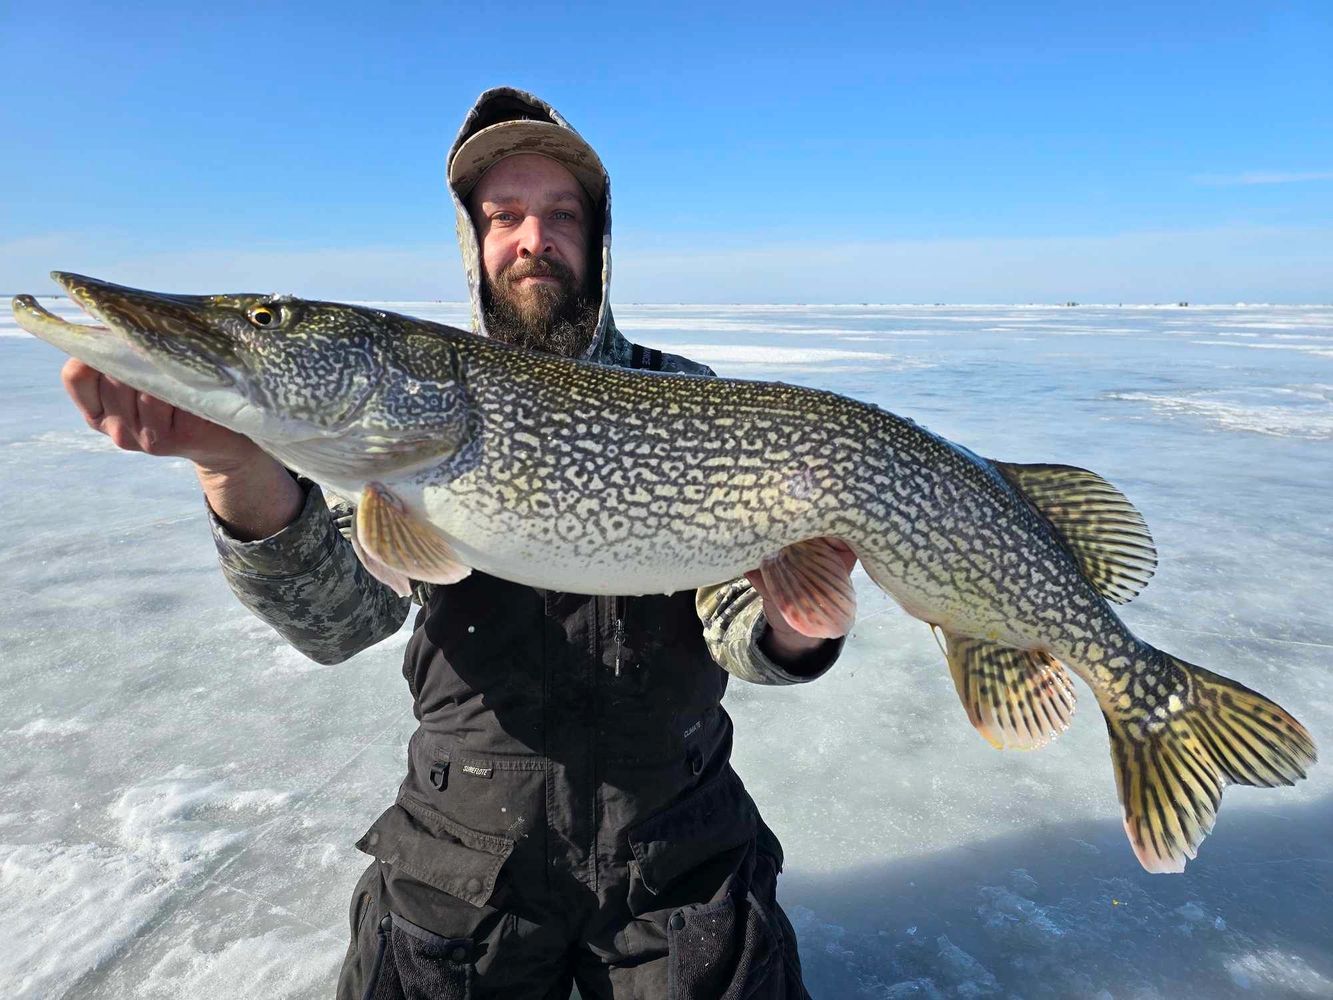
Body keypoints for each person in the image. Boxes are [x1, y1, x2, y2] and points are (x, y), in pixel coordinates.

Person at [61, 87, 856, 999]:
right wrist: (232, 468)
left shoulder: (686, 397)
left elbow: (736, 621)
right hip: (463, 854)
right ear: (474, 244)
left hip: (676, 847)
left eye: (561, 215)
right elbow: (338, 624)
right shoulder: (398, 424)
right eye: (504, 216)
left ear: (598, 241)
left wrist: (793, 624)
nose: (533, 238)